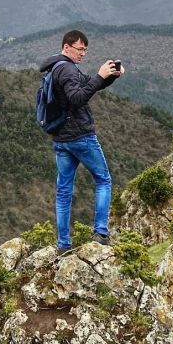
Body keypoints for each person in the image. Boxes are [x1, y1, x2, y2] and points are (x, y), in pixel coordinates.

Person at [39, 29, 123, 252]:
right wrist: (99, 76)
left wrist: (109, 75)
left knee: (64, 190)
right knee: (103, 180)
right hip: (80, 137)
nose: (83, 53)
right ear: (66, 47)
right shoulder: (67, 69)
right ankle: (101, 233)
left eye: (85, 50)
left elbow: (88, 85)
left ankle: (63, 244)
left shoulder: (57, 67)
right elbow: (78, 98)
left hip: (62, 140)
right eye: (80, 49)